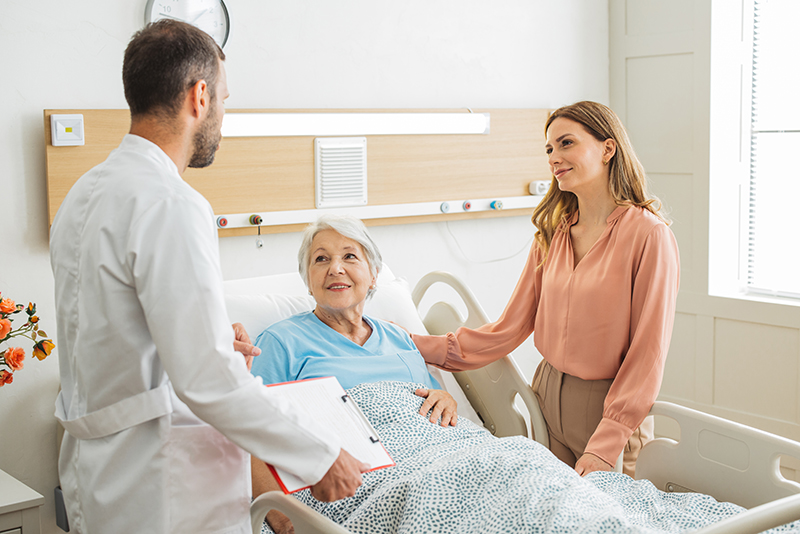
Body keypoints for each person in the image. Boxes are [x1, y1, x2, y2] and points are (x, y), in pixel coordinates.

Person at [49, 21, 367, 534]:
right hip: (162, 482)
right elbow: (207, 380)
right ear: (200, 96)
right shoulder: (172, 203)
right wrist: (321, 456)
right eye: (224, 99)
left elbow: (117, 339)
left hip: (100, 471)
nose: (223, 115)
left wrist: (217, 339)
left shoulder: (83, 195)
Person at [411, 101, 680, 478]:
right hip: (545, 398)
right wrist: (416, 344)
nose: (555, 157)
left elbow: (647, 353)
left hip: (607, 410)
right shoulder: (553, 232)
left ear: (607, 148)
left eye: (566, 143)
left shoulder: (649, 235)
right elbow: (508, 329)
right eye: (549, 149)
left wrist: (607, 442)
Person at [249, 214, 458, 533]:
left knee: (525, 468)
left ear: (373, 275)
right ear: (308, 279)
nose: (335, 267)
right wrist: (283, 518)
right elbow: (249, 434)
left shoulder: (399, 337)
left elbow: (430, 402)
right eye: (321, 259)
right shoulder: (281, 342)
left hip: (445, 456)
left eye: (349, 256)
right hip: (361, 482)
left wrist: (445, 398)